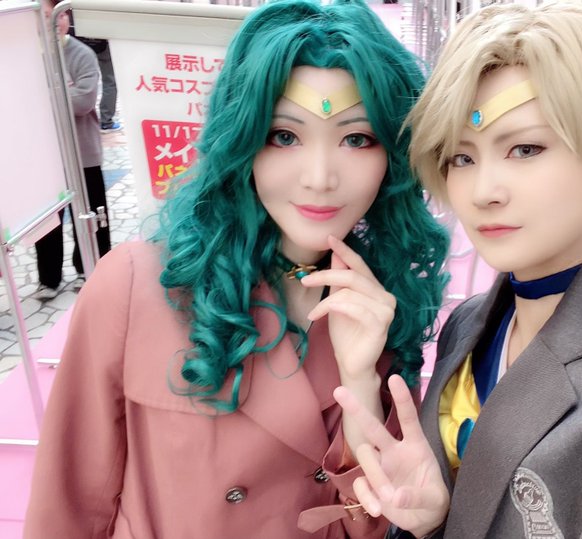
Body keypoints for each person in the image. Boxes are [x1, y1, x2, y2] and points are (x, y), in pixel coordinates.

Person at [23, 0, 450, 537]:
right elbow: (67, 504)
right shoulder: (137, 287)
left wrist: (361, 380)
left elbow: (365, 524)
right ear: (242, 141)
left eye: (357, 139)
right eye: (284, 136)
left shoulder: (378, 303)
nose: (320, 177)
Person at [333, 3, 582, 538]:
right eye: (462, 157)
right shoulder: (469, 324)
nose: (483, 191)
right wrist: (434, 520)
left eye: (525, 148)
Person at [34, 0, 111, 300]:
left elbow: (84, 101)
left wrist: (45, 96)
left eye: (61, 14)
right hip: (47, 154)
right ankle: (48, 279)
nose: (56, 21)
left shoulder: (82, 53)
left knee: (91, 212)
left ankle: (90, 267)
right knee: (48, 220)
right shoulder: (30, 56)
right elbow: (25, 101)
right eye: (47, 15)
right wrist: (63, 90)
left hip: (83, 152)